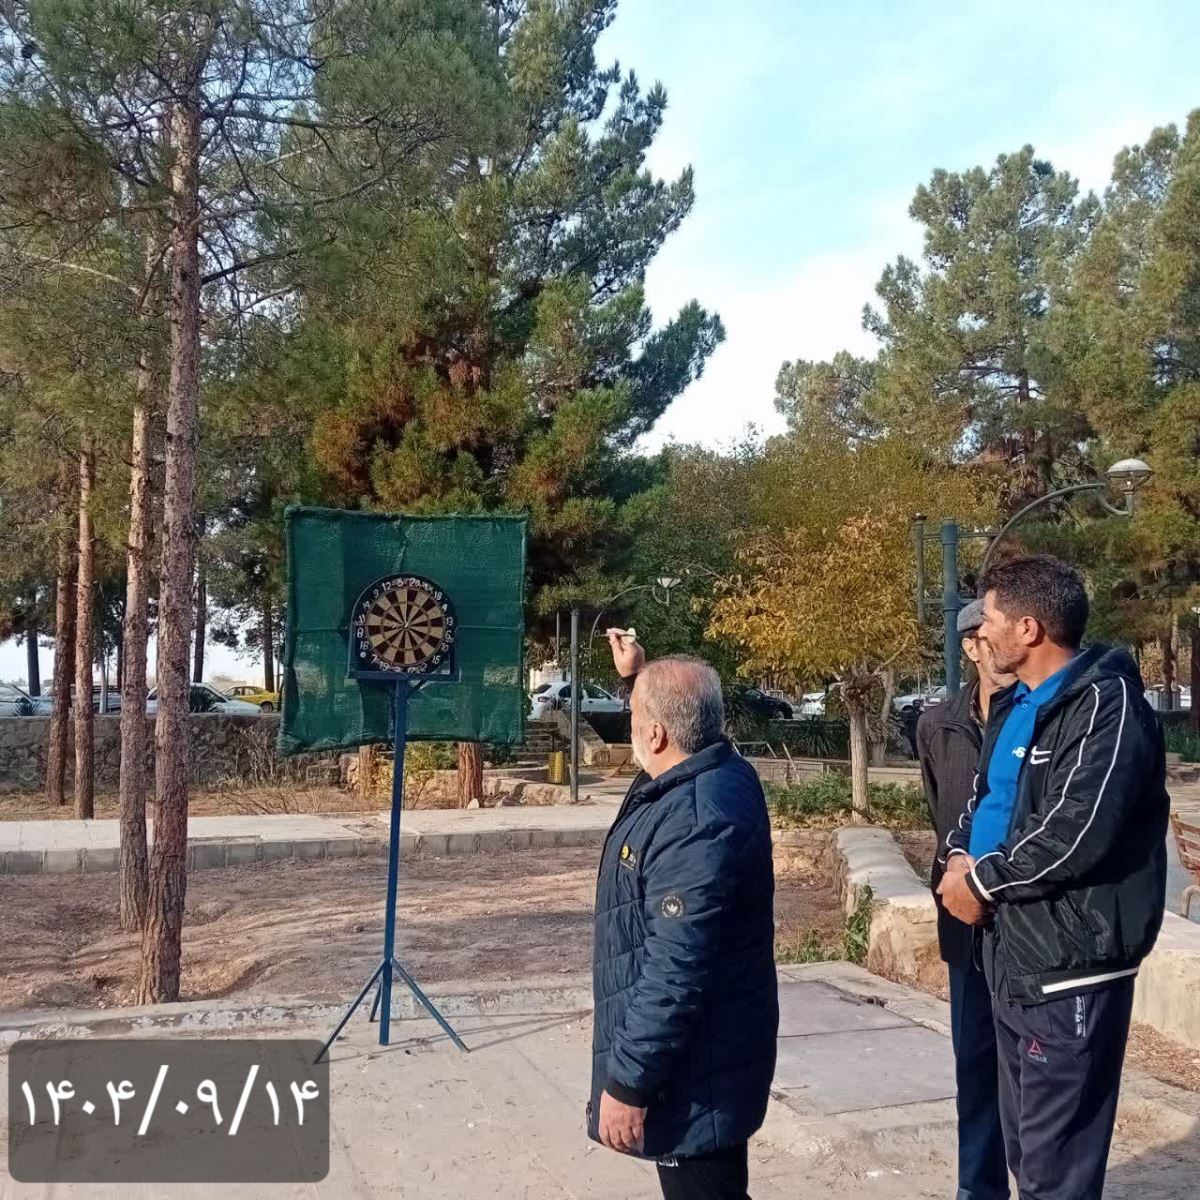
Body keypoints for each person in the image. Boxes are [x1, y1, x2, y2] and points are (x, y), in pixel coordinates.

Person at [939, 556, 1169, 1200]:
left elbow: (1076, 831)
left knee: (1055, 1172)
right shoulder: (1017, 704)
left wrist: (980, 885)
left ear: (1028, 628)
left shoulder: (1105, 704)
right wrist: (957, 858)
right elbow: (985, 801)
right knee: (1024, 1154)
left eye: (989, 618)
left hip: (1068, 964)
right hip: (1012, 955)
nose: (980, 632)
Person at [587, 631, 778, 1200]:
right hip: (708, 1060)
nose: (631, 728)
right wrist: (637, 679)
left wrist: (628, 1084)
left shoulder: (695, 820)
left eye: (635, 718)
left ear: (656, 734)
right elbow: (668, 747)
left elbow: (675, 969)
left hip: (695, 1077)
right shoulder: (717, 769)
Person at [915, 599, 1015, 1200]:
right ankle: (978, 1188)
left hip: (1023, 918)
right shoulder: (937, 724)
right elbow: (942, 810)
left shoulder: (1035, 715)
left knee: (1029, 1072)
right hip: (962, 919)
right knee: (973, 1064)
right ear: (971, 646)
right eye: (983, 635)